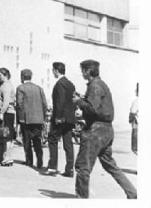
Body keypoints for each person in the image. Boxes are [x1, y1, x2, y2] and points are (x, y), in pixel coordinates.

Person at [73, 59, 137, 199]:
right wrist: (84, 99)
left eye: (82, 70)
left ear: (88, 71)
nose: (81, 73)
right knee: (109, 165)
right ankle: (132, 193)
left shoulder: (94, 85)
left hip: (96, 131)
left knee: (83, 167)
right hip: (106, 130)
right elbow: (97, 106)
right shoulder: (101, 84)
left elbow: (92, 109)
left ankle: (81, 200)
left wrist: (78, 101)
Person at [44, 61, 75, 177]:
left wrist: (58, 117)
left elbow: (60, 102)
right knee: (68, 143)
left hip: (60, 118)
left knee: (52, 140)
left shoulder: (60, 84)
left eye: (53, 70)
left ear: (56, 70)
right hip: (70, 118)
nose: (52, 72)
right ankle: (69, 169)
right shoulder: (70, 84)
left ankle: (52, 168)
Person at [16, 68, 47, 169]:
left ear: (22, 77)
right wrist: (43, 117)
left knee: (27, 141)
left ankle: (29, 161)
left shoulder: (21, 88)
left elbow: (19, 104)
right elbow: (44, 104)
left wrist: (20, 119)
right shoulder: (39, 88)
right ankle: (40, 161)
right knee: (37, 141)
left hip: (26, 119)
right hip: (38, 119)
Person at [0, 67, 16, 167]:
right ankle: (2, 156)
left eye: (0, 75)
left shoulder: (6, 86)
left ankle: (7, 158)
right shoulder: (4, 85)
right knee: (0, 135)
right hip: (3, 112)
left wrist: (2, 112)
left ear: (5, 75)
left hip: (6, 113)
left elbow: (6, 101)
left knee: (6, 135)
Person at [129, 82, 138, 155]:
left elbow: (132, 112)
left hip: (137, 124)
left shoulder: (137, 101)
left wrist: (130, 119)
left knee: (135, 148)